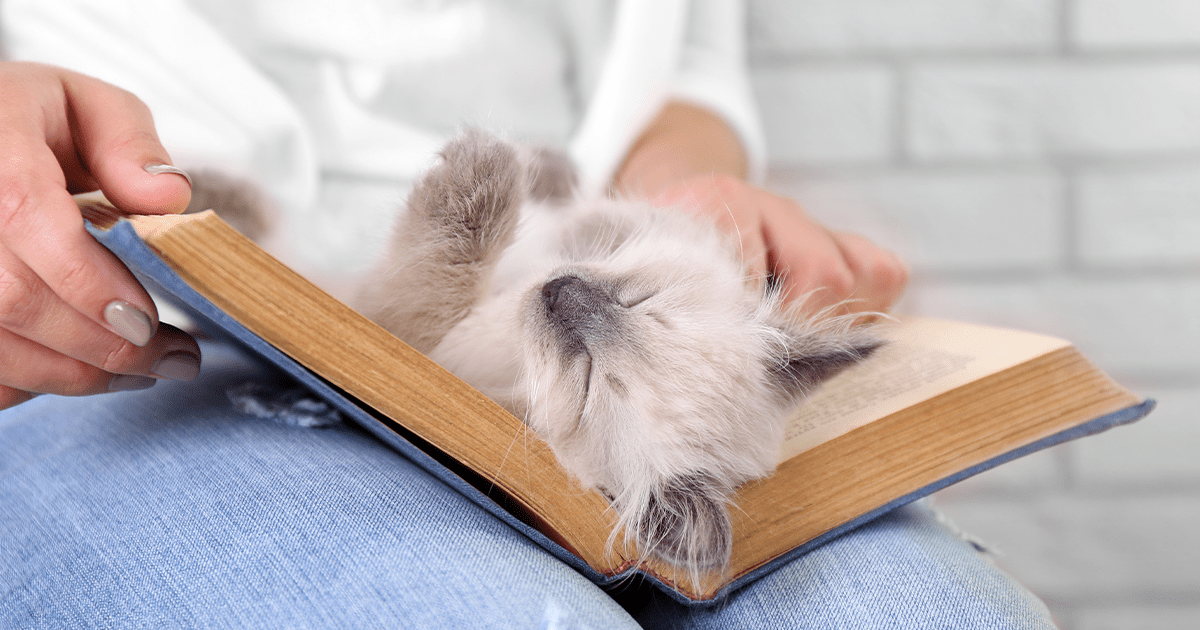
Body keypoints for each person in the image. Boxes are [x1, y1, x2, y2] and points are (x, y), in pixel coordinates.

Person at [0, 1, 1057, 627]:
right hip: (169, 343)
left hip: (530, 345)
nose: (581, 307)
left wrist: (684, 184)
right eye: (623, 307)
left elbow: (686, 66)